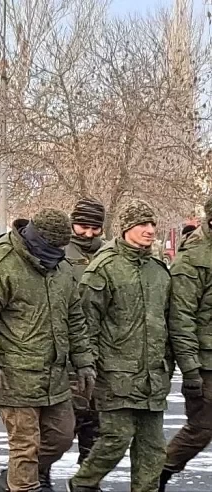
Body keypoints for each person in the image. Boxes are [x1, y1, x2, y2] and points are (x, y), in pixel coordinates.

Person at [0, 209, 95, 492]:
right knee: (25, 446)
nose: (58, 253)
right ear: (36, 239)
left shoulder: (60, 267)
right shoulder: (0, 263)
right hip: (13, 375)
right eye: (52, 247)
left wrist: (84, 360)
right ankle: (22, 483)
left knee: (60, 437)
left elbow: (74, 317)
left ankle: (9, 480)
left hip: (54, 376)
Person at [67, 200, 173, 492]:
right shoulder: (104, 267)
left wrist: (171, 362)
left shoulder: (158, 270)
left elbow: (169, 322)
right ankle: (83, 483)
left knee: (153, 447)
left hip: (153, 375)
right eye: (142, 224)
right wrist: (87, 366)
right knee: (116, 438)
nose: (150, 230)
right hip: (115, 374)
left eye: (152, 224)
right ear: (126, 228)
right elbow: (86, 323)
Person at [161, 197, 212, 490]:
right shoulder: (193, 258)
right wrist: (191, 370)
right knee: (202, 427)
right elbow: (180, 317)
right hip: (206, 360)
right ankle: (159, 473)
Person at [64, 198, 106, 465]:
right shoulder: (59, 252)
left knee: (97, 422)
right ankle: (39, 476)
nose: (89, 234)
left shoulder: (108, 253)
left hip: (102, 349)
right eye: (82, 227)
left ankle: (87, 478)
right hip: (68, 350)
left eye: (95, 228)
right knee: (64, 424)